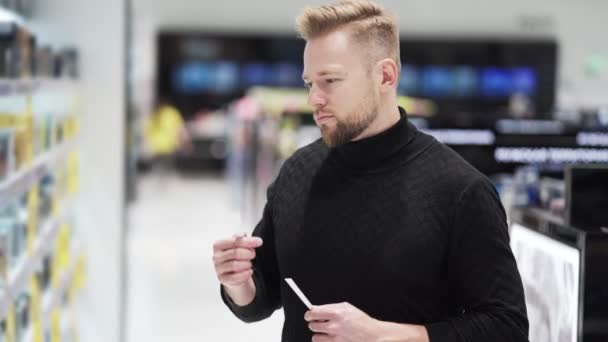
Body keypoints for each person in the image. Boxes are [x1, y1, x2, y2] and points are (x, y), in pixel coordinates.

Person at [212, 1, 529, 341]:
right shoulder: (297, 172)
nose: (314, 99)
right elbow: (263, 294)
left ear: (386, 75)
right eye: (309, 84)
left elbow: (506, 327)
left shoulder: (460, 190)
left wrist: (385, 336)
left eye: (330, 80)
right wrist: (238, 282)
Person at [143, 97, 192, 185]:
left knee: (157, 168)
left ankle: (159, 185)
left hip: (156, 147)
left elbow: (147, 131)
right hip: (169, 146)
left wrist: (147, 145)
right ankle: (166, 186)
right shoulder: (172, 113)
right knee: (168, 168)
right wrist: (186, 143)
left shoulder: (154, 113)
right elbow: (181, 129)